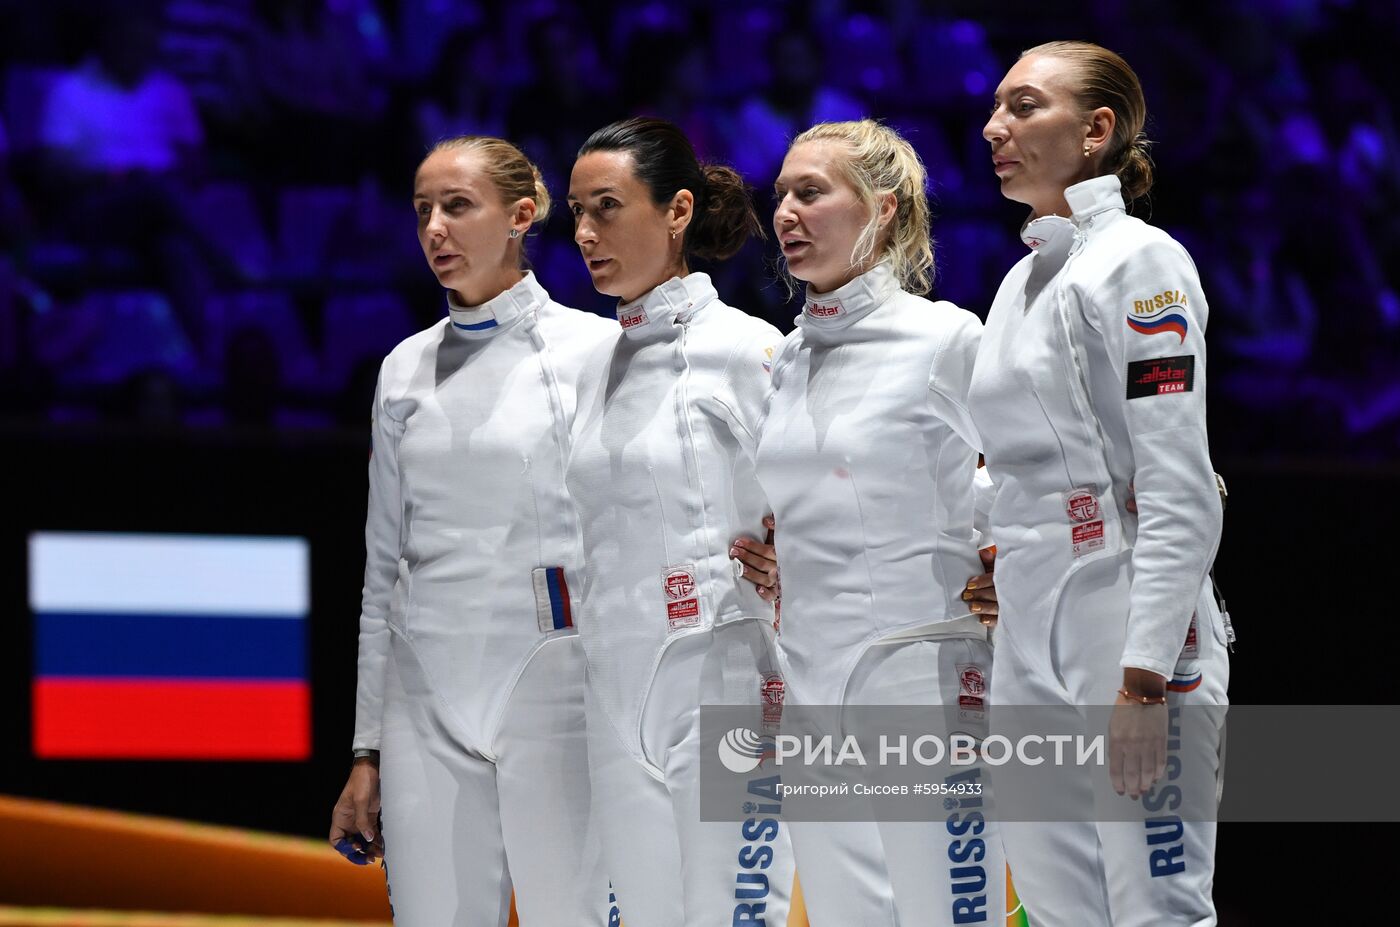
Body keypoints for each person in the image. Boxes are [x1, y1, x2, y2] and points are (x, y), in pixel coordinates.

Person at [969, 41, 1230, 927]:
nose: (994, 126)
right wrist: (993, 545)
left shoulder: (1141, 263)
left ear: (1097, 130)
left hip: (1127, 626)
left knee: (1158, 908)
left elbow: (1179, 483)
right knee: (1054, 908)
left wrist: (1146, 675)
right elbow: (1008, 465)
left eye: (1025, 106)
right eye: (996, 107)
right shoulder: (1020, 280)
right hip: (1030, 632)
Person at [327, 135, 617, 926]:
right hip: (423, 697)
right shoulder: (402, 368)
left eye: (457, 206)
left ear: (520, 215)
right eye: (423, 210)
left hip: (557, 686)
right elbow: (382, 568)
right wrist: (367, 749)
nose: (435, 230)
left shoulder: (597, 351)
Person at [753, 119, 1003, 926]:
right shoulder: (787, 359)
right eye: (782, 193)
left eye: (811, 192)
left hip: (923, 675)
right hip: (809, 680)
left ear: (883, 209)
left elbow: (1030, 467)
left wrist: (1006, 558)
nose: (786, 211)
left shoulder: (945, 337)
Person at [564, 117, 795, 927]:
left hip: (725, 679)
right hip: (613, 689)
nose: (586, 233)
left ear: (678, 210)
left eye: (607, 207)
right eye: (577, 213)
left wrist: (792, 561)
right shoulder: (592, 367)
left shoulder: (746, 347)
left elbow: (825, 499)